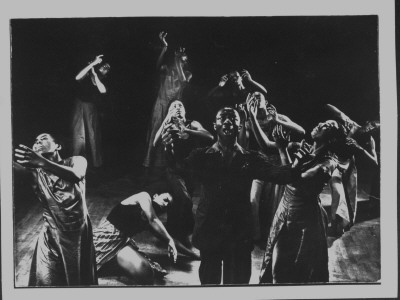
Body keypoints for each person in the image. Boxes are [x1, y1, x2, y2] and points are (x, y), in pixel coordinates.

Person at [162, 107, 305, 285]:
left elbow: (282, 175)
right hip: (210, 229)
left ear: (239, 127)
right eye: (223, 118)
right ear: (215, 126)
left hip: (239, 232)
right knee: (209, 283)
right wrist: (169, 148)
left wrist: (287, 152)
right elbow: (178, 168)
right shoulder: (201, 156)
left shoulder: (251, 159)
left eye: (233, 118)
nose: (228, 121)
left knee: (237, 284)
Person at [259, 120, 346, 284]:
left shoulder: (327, 163)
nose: (320, 124)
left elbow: (293, 181)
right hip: (284, 212)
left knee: (300, 274)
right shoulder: (303, 147)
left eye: (326, 126)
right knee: (275, 271)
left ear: (332, 139)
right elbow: (265, 145)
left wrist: (282, 149)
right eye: (322, 123)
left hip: (306, 221)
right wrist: (252, 116)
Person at [14, 133, 97, 286]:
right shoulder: (34, 172)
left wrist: (41, 161)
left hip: (77, 235)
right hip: (50, 236)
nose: (38, 142)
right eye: (35, 140)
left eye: (43, 139)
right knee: (46, 282)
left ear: (58, 146)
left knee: (76, 283)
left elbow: (76, 175)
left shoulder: (76, 161)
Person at [93, 180, 200, 285]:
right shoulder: (143, 197)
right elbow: (153, 219)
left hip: (121, 244)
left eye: (169, 205)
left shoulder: (151, 223)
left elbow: (173, 242)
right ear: (156, 196)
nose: (166, 205)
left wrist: (194, 255)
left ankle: (117, 265)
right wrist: (170, 240)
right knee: (89, 262)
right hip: (105, 238)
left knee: (146, 272)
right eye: (166, 199)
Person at [245, 92, 305, 245]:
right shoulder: (249, 122)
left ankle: (273, 236)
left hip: (279, 162)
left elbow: (301, 132)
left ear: (266, 101)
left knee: (276, 203)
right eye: (253, 97)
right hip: (262, 163)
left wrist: (279, 120)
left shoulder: (277, 117)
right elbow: (262, 146)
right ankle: (256, 236)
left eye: (260, 96)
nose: (256, 99)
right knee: (253, 199)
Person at [154, 100, 213, 246]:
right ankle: (182, 234)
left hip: (190, 170)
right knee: (184, 199)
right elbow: (155, 143)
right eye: (174, 106)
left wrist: (187, 131)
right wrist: (165, 121)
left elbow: (209, 136)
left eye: (180, 105)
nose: (178, 107)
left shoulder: (191, 124)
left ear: (185, 111)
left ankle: (174, 232)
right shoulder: (168, 125)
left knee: (180, 201)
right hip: (173, 170)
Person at [325, 104, 379, 235]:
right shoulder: (351, 124)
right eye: (371, 126)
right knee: (338, 192)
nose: (370, 129)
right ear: (367, 123)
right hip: (334, 160)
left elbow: (375, 162)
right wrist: (339, 117)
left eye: (374, 129)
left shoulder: (369, 140)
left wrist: (359, 149)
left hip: (349, 164)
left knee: (350, 197)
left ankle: (344, 223)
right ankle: (334, 222)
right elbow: (331, 108)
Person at [143, 31, 192, 169]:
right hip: (161, 104)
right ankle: (148, 164)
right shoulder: (167, 69)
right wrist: (165, 47)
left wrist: (178, 59)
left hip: (173, 108)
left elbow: (183, 80)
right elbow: (158, 65)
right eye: (179, 57)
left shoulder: (187, 74)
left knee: (171, 134)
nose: (181, 59)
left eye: (184, 58)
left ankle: (166, 166)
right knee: (155, 133)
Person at [72, 54, 111, 167]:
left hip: (91, 108)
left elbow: (102, 90)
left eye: (107, 68)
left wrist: (95, 75)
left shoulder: (102, 79)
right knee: (78, 135)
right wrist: (92, 64)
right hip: (79, 106)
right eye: (104, 66)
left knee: (93, 135)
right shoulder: (88, 73)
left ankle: (95, 164)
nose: (105, 68)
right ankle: (76, 162)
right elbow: (77, 78)